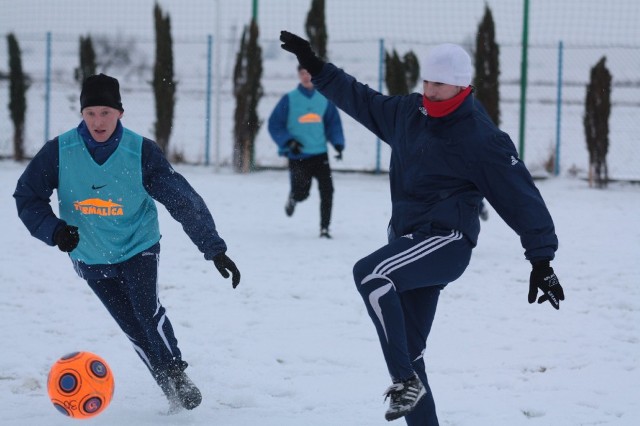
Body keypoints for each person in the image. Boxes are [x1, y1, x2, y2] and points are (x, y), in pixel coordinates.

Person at [279, 31, 565, 424]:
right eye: (426, 81)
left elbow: (520, 196)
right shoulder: (408, 114)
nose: (429, 90)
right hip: (408, 239)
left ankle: (403, 381)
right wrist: (316, 66)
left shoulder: (480, 138)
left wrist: (542, 259)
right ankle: (412, 390)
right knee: (409, 348)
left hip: (447, 240)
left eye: (439, 83)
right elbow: (362, 99)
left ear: (462, 85)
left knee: (371, 274)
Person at [13, 73, 241, 413]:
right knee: (131, 325)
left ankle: (175, 372)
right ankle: (165, 384)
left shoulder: (141, 151)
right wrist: (55, 230)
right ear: (82, 114)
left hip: (139, 246)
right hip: (90, 256)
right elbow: (27, 197)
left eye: (105, 112)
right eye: (90, 113)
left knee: (146, 312)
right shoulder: (59, 152)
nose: (98, 121)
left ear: (120, 112)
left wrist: (214, 249)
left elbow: (181, 200)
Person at [268, 65, 345, 238]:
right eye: (302, 73)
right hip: (298, 155)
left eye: (309, 72)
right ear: (299, 75)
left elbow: (333, 124)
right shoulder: (289, 99)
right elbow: (275, 124)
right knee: (303, 192)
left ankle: (324, 228)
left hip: (320, 154)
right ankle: (294, 198)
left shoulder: (324, 99)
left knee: (328, 191)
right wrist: (288, 141)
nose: (306, 76)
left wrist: (338, 144)